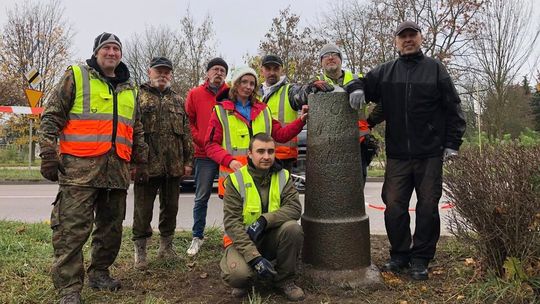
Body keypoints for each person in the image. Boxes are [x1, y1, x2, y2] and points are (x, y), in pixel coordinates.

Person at [38, 32, 148, 304]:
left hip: (117, 172)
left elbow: (136, 128)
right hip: (79, 172)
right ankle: (69, 289)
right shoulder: (76, 76)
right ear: (97, 52)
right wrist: (48, 153)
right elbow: (52, 115)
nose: (112, 53)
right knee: (71, 232)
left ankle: (100, 272)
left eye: (116, 49)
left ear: (121, 55)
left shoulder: (129, 88)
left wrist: (141, 160)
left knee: (111, 229)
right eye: (107, 48)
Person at [363, 21, 466, 280]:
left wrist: (453, 143)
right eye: (403, 36)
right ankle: (399, 255)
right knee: (394, 206)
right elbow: (364, 85)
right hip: (398, 154)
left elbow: (453, 106)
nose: (408, 40)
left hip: (430, 152)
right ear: (396, 41)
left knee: (428, 207)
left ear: (421, 38)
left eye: (412, 35)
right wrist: (353, 90)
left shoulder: (435, 69)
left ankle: (421, 258)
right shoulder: (386, 71)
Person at [220, 133, 305, 301]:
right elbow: (232, 224)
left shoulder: (283, 176)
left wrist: (264, 220)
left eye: (270, 151)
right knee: (238, 276)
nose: (266, 156)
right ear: (250, 154)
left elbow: (295, 208)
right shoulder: (235, 180)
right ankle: (247, 279)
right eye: (260, 151)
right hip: (243, 241)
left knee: (293, 228)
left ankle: (285, 280)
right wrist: (254, 258)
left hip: (272, 237)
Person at [205, 66, 307, 199]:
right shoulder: (220, 111)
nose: (248, 86)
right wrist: (230, 161)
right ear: (236, 84)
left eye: (252, 83)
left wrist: (301, 120)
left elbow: (281, 135)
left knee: (262, 219)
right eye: (244, 82)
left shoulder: (264, 110)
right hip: (235, 178)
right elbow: (211, 145)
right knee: (237, 219)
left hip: (262, 178)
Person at [132, 56, 193, 269]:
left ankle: (166, 248)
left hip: (173, 166)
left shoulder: (178, 100)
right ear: (149, 72)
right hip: (146, 166)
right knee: (142, 210)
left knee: (171, 208)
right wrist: (134, 163)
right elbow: (131, 132)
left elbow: (186, 133)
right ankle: (140, 253)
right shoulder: (137, 97)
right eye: (159, 71)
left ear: (171, 75)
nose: (163, 75)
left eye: (167, 72)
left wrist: (188, 161)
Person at [314, 43, 378, 184]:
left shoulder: (358, 78)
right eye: (326, 56)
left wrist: (371, 121)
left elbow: (382, 98)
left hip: (357, 146)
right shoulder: (315, 84)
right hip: (328, 148)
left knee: (355, 189)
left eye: (334, 54)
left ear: (341, 59)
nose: (330, 58)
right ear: (321, 62)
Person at [185, 57, 229, 256]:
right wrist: (200, 139)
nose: (218, 73)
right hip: (203, 154)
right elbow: (189, 121)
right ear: (208, 73)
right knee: (201, 197)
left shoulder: (231, 94)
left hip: (227, 155)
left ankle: (232, 236)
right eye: (215, 70)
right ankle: (197, 237)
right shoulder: (195, 94)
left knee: (232, 198)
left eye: (222, 70)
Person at [258, 54, 310, 171]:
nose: (272, 72)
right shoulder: (254, 93)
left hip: (283, 157)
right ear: (262, 70)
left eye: (276, 69)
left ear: (281, 70)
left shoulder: (290, 90)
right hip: (258, 155)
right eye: (268, 69)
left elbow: (301, 94)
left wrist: (310, 88)